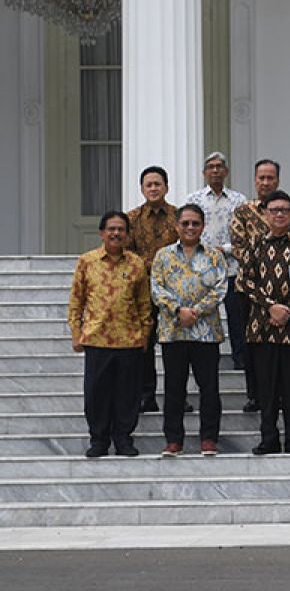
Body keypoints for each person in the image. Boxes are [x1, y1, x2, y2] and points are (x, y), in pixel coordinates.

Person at [69, 211, 152, 458]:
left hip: (129, 340)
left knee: (128, 395)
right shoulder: (87, 261)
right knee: (96, 394)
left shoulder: (136, 263)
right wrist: (76, 332)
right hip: (97, 339)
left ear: (127, 234)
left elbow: (144, 303)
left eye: (121, 229)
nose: (116, 233)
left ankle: (124, 440)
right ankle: (99, 440)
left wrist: (145, 333)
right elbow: (77, 300)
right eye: (111, 229)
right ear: (102, 233)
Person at [241, 190, 290, 455]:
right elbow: (245, 281)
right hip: (262, 326)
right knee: (266, 387)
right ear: (265, 214)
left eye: (284, 209)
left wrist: (287, 308)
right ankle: (269, 437)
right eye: (274, 210)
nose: (279, 214)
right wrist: (270, 306)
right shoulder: (255, 245)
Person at [150, 204, 227, 456]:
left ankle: (208, 438)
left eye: (195, 223)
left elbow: (220, 288)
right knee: (174, 388)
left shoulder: (215, 256)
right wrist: (178, 310)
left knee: (210, 389)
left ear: (203, 226)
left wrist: (196, 311)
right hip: (173, 332)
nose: (190, 228)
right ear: (177, 226)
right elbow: (156, 289)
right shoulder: (163, 256)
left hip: (206, 332)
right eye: (185, 223)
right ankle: (174, 440)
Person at [230, 159, 290, 413]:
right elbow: (238, 247)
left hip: (283, 293)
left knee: (279, 348)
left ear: (277, 180)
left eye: (271, 178)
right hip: (250, 290)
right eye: (261, 178)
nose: (266, 182)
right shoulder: (243, 211)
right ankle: (255, 395)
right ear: (255, 180)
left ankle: (279, 394)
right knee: (252, 346)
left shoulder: (287, 211)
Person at [185, 152, 247, 386]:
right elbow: (187, 229)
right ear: (204, 172)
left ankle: (240, 359)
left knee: (236, 317)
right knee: (203, 315)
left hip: (231, 267)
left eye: (220, 166)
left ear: (226, 171)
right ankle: (204, 359)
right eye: (210, 167)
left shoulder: (238, 200)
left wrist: (226, 248)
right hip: (201, 269)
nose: (215, 171)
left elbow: (245, 233)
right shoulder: (194, 199)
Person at [127, 165, 179, 414]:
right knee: (145, 345)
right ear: (142, 189)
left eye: (158, 184)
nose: (154, 188)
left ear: (166, 187)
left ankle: (178, 395)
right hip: (143, 292)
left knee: (175, 347)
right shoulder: (132, 218)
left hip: (175, 292)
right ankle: (146, 395)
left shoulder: (179, 217)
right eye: (149, 184)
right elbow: (127, 256)